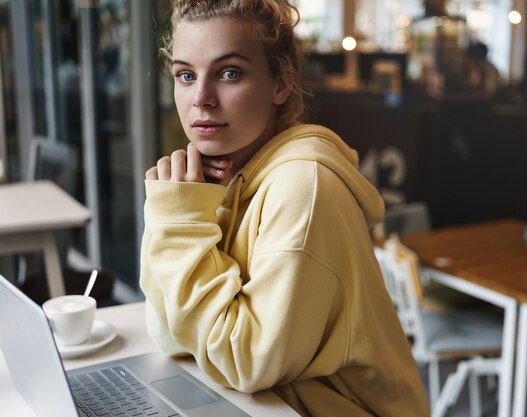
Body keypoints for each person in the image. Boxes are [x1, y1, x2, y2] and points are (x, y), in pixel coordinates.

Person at [141, 1, 429, 416]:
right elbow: (168, 333)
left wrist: (180, 223)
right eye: (186, 75)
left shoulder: (304, 189)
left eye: (229, 73)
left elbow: (246, 362)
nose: (201, 99)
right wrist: (177, 210)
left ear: (281, 84)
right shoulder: (219, 181)